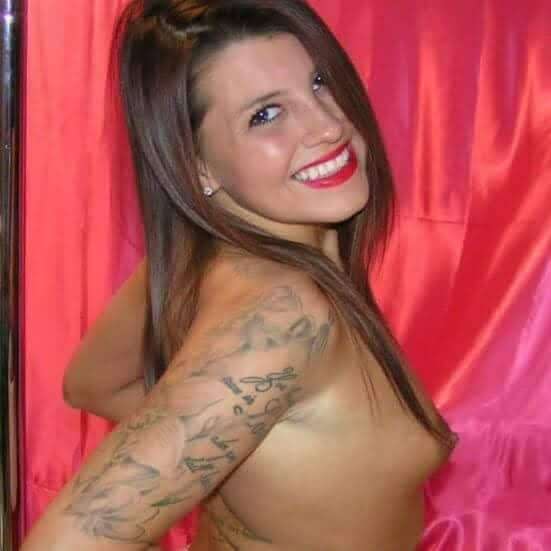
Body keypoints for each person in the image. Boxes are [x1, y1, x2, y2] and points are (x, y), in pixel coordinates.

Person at [22, 0, 457, 549]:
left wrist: (234, 444)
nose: (329, 126)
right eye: (266, 115)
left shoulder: (206, 259)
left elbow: (95, 382)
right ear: (195, 165)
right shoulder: (283, 317)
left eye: (319, 83)